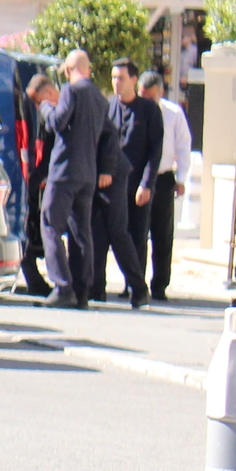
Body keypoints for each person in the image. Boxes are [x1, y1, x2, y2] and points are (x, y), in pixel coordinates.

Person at [39, 52, 114, 308]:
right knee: (82, 233)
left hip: (64, 171)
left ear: (70, 69)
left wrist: (46, 107)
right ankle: (82, 292)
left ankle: (62, 287)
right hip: (87, 174)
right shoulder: (100, 98)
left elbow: (58, 123)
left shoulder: (72, 91)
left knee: (49, 224)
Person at [89, 60, 154, 307]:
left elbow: (154, 149)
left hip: (123, 178)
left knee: (120, 234)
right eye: (114, 77)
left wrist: (147, 183)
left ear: (134, 79)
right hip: (105, 179)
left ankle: (138, 287)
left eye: (121, 77)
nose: (116, 82)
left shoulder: (148, 110)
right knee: (97, 232)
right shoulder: (108, 106)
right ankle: (96, 288)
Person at [143, 70, 193, 301]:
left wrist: (181, 178)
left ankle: (160, 284)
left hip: (162, 179)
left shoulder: (173, 114)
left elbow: (183, 147)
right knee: (136, 232)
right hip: (138, 178)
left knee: (162, 233)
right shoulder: (134, 110)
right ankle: (135, 281)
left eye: (151, 97)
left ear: (160, 93)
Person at [17, 73, 58, 295]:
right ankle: (37, 281)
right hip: (39, 179)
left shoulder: (58, 113)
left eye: (37, 101)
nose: (34, 106)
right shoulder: (43, 113)